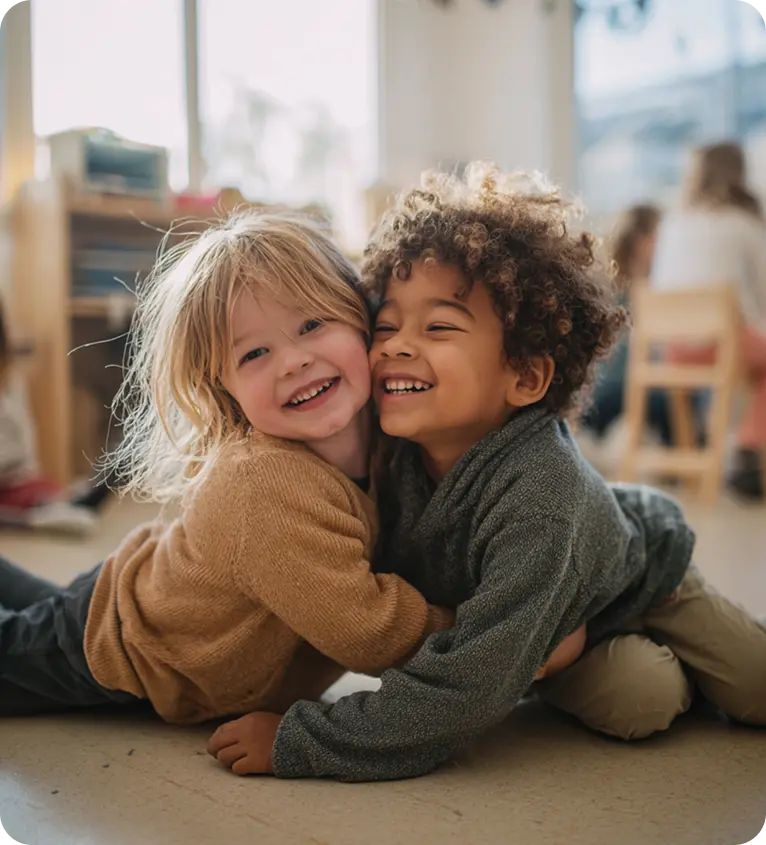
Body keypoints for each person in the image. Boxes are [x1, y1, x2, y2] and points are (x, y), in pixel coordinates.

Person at [208, 164, 766, 781]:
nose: (394, 345)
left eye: (439, 327)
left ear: (524, 377)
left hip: (639, 576)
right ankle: (604, 658)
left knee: (756, 686)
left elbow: (466, 688)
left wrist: (303, 741)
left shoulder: (542, 496)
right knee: (642, 701)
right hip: (543, 615)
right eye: (386, 325)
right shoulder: (378, 442)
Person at [0, 208, 578, 719]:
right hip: (130, 649)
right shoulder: (263, 485)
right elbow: (369, 630)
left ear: (360, 319)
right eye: (254, 353)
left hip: (138, 585)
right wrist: (502, 646)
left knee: (39, 600)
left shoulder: (391, 431)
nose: (294, 362)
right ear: (221, 387)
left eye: (312, 325)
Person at [652, 142, 766, 500]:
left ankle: (700, 453)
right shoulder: (743, 223)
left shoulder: (673, 224)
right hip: (724, 345)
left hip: (672, 348)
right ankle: (749, 451)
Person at [0, 297, 101, 535]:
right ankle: (34, 517)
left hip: (13, 480)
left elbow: (24, 447)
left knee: (46, 492)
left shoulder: (11, 381)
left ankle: (56, 506)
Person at [580, 203, 674, 448]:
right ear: (640, 241)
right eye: (658, 237)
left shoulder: (610, 287)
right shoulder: (637, 293)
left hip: (595, 396)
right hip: (616, 392)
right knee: (678, 398)